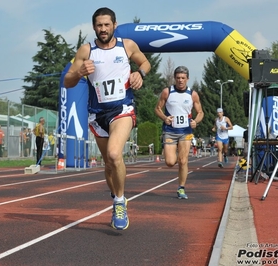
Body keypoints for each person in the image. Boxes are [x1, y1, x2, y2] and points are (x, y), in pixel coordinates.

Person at [63, 7, 151, 230]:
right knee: (109, 164)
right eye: (99, 25)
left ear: (114, 25)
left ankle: (120, 202)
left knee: (114, 153)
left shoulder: (126, 45)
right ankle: (115, 193)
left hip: (122, 109)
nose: (103, 29)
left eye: (107, 25)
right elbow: (68, 82)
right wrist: (79, 71)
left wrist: (139, 74)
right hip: (97, 114)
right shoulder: (86, 50)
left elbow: (145, 63)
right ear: (94, 27)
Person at [154, 66, 204, 200]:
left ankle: (181, 188)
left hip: (185, 132)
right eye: (178, 78)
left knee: (183, 161)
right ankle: (175, 154)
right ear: (174, 78)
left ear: (187, 79)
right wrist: (165, 118)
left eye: (183, 78)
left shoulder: (192, 94)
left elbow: (200, 112)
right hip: (170, 131)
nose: (180, 80)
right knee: (170, 162)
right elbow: (157, 109)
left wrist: (196, 121)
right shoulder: (167, 92)